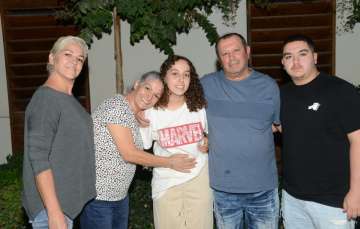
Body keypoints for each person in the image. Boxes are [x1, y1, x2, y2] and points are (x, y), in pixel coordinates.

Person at [80, 71, 197, 229]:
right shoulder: (117, 106)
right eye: (147, 88)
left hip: (119, 197)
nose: (149, 97)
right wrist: (169, 162)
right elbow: (129, 154)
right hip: (99, 198)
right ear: (137, 84)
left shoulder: (132, 114)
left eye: (156, 95)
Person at [279, 34, 360, 229]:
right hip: (292, 199)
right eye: (289, 56)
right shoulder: (281, 95)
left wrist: (356, 192)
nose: (295, 61)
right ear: (283, 62)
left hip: (333, 201)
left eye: (302, 54)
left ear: (315, 57)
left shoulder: (340, 90)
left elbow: (358, 141)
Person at [200, 32, 280, 229]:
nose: (231, 57)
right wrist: (143, 113)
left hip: (263, 188)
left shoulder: (268, 86)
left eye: (236, 50)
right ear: (219, 60)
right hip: (223, 189)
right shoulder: (206, 85)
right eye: (225, 54)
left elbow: (276, 125)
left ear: (247, 52)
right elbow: (177, 104)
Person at [22, 35, 96, 229]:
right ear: (51, 58)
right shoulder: (47, 99)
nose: (74, 61)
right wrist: (54, 212)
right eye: (68, 54)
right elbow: (38, 158)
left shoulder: (67, 100)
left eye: (80, 59)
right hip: (51, 211)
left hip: (63, 208)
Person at [139, 55, 213, 229]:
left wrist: (209, 141)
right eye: (175, 74)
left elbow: (212, 136)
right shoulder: (151, 112)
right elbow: (141, 148)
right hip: (166, 182)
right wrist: (136, 114)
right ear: (164, 77)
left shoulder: (199, 107)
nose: (181, 80)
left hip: (199, 178)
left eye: (186, 74)